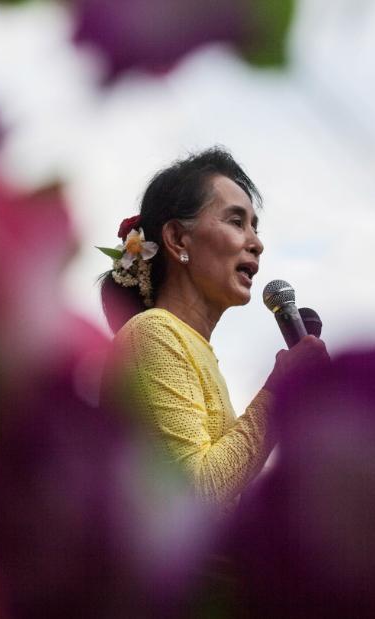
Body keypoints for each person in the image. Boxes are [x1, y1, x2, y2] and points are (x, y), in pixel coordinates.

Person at [101, 147, 328, 506]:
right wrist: (279, 390)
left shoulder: (192, 346)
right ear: (177, 240)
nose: (257, 243)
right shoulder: (153, 332)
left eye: (254, 226)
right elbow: (195, 492)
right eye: (236, 222)